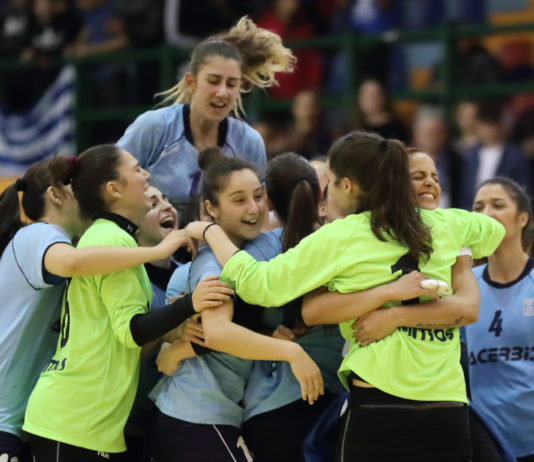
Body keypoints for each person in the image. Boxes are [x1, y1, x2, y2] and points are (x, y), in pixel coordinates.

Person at [187, 131, 505, 462]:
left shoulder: (342, 236)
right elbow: (495, 232)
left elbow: (259, 285)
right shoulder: (448, 223)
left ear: (348, 186)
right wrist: (461, 255)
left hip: (379, 402)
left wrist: (212, 232)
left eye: (332, 181)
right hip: (448, 405)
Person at [22, 145, 234, 461]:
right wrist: (190, 303)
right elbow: (132, 331)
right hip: (72, 423)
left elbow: (123, 339)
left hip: (91, 426)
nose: (146, 174)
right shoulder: (112, 238)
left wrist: (172, 327)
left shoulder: (112, 237)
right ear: (114, 189)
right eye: (136, 169)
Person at [150, 148, 322, 462]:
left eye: (258, 196)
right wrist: (291, 352)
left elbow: (240, 319)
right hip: (195, 412)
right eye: (239, 200)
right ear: (211, 208)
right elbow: (218, 333)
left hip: (218, 413)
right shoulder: (212, 263)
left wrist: (270, 335)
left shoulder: (255, 250)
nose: (254, 208)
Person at [117, 16, 295, 215]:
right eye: (213, 81)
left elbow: (259, 212)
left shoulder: (249, 142)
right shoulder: (154, 126)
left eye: (231, 84)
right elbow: (110, 181)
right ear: (191, 82)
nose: (222, 92)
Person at [466, 177, 534, 462]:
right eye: (478, 207)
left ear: (523, 218)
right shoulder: (466, 285)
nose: (486, 213)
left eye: (497, 205)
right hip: (484, 443)